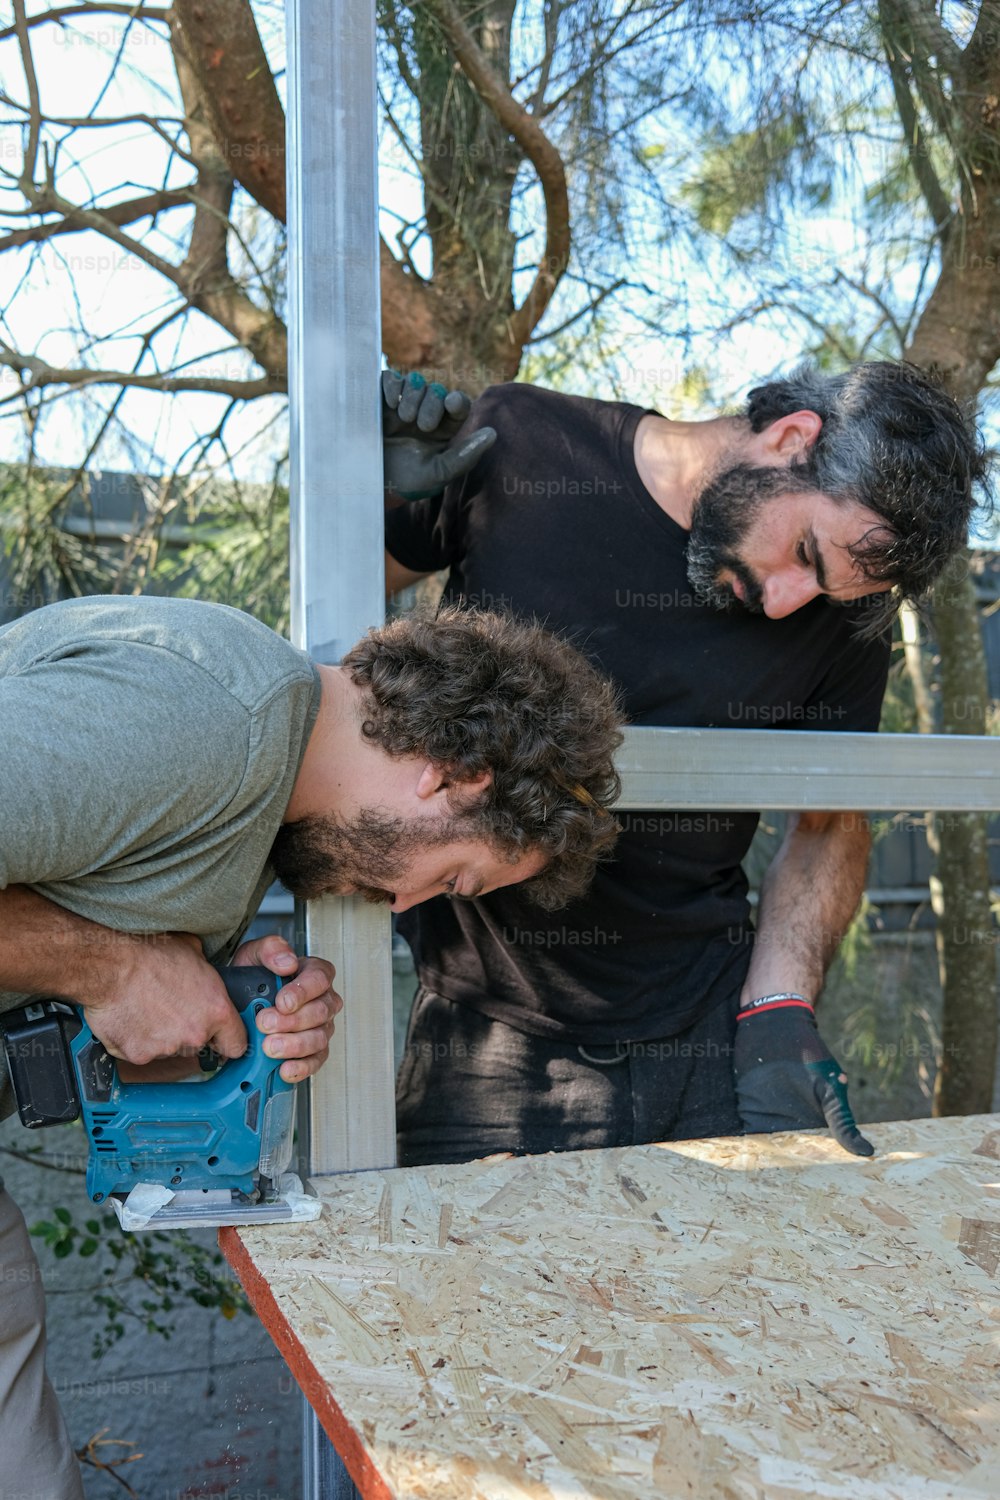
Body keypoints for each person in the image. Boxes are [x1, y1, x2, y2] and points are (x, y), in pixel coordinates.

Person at [0, 592, 623, 1500]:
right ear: (454, 771)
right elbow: (99, 960)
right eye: (452, 876)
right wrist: (109, 965)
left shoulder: (254, 789)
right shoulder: (203, 720)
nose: (409, 907)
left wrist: (197, 991)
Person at [381, 360, 988, 1169]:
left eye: (824, 593)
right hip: (488, 1043)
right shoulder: (526, 444)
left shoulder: (846, 615)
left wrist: (778, 1009)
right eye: (803, 552)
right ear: (790, 438)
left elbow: (829, 820)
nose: (783, 603)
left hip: (702, 1032)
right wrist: (375, 500)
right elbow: (343, 630)